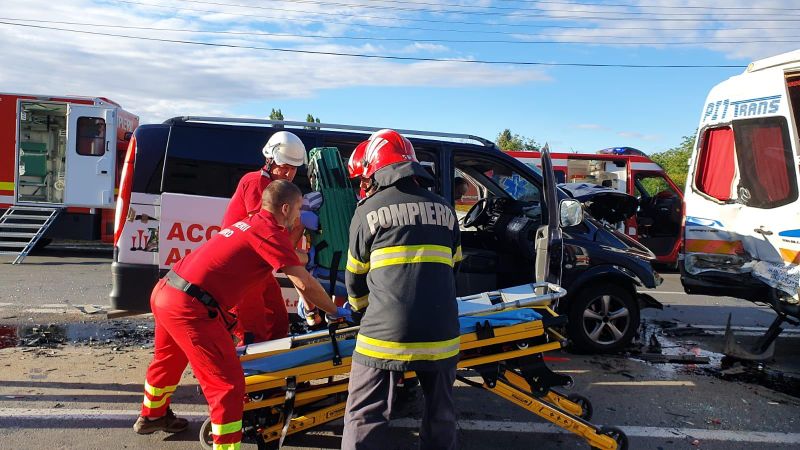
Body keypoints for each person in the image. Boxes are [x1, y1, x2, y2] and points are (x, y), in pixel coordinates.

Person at [133, 180, 350, 449]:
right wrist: (334, 311)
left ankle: (153, 415)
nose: (298, 215)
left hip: (168, 291)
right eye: (297, 209)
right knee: (228, 386)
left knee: (169, 360)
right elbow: (303, 282)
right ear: (285, 208)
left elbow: (288, 256)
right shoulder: (269, 232)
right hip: (190, 307)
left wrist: (306, 255)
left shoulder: (253, 223)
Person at [342, 129, 462, 450]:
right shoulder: (446, 210)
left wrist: (361, 310)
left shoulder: (367, 212)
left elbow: (354, 279)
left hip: (384, 338)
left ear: (373, 171)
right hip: (441, 336)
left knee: (364, 414)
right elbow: (454, 267)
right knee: (441, 415)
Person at [221, 131, 308, 344]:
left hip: (257, 269)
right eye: (284, 167)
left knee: (278, 323)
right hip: (240, 270)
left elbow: (281, 243)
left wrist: (298, 228)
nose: (289, 174)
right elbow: (265, 235)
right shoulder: (255, 182)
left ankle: (274, 373)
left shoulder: (279, 191)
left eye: (294, 169)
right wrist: (302, 254)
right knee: (253, 333)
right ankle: (249, 375)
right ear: (269, 160)